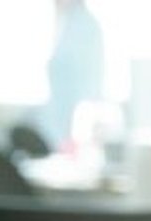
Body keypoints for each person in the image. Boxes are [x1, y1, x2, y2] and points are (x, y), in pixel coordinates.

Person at [43, 0, 106, 150]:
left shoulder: (85, 27)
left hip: (74, 130)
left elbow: (90, 87)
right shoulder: (67, 23)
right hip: (61, 127)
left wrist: (78, 134)